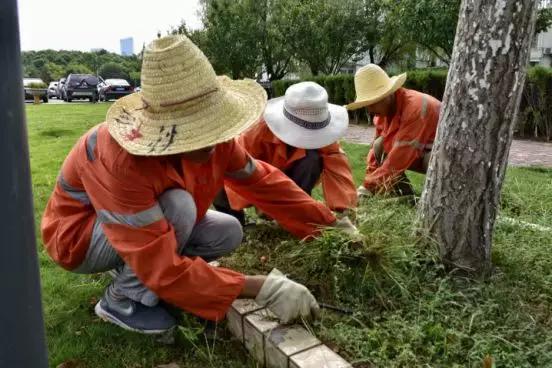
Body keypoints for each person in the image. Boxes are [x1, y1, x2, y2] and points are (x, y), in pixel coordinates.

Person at [41, 35, 350, 334]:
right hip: (79, 239)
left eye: (214, 125)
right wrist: (260, 288)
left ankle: (151, 277)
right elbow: (158, 261)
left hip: (135, 229)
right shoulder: (120, 157)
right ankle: (120, 301)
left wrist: (328, 223)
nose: (215, 142)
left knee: (228, 230)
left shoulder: (219, 143)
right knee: (179, 205)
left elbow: (265, 182)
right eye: (202, 131)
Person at [215, 82, 357, 223]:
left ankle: (299, 212)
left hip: (290, 177)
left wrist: (344, 211)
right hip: (254, 178)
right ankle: (236, 222)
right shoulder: (254, 133)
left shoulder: (324, 135)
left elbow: (338, 167)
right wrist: (266, 205)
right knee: (219, 176)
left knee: (312, 159)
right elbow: (240, 171)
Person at [346, 64, 441, 196]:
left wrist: (369, 187)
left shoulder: (416, 108)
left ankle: (436, 201)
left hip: (444, 155)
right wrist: (368, 181)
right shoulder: (383, 114)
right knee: (379, 145)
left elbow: (401, 155)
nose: (370, 110)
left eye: (372, 103)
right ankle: (405, 197)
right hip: (420, 150)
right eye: (367, 105)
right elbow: (375, 151)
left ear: (387, 94)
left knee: (436, 160)